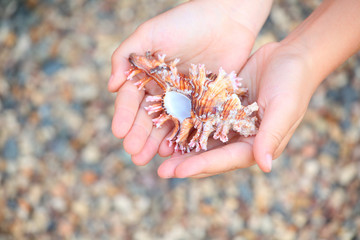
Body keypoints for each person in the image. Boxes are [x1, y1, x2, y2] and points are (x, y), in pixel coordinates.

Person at [108, 0, 360, 178]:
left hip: (212, 108)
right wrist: (229, 8)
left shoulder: (212, 111)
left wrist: (304, 58)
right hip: (204, 103)